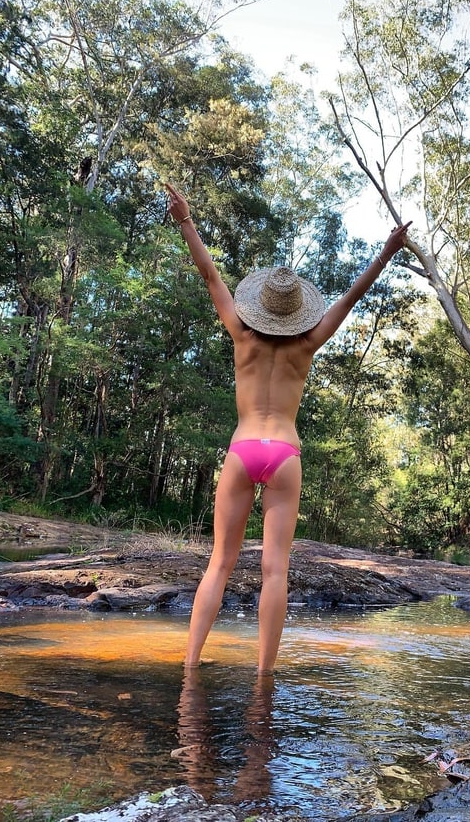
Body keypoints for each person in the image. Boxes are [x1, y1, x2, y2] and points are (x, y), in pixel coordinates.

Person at [165, 183, 411, 675]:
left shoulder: (241, 334)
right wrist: (387, 250)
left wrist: (185, 220)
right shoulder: (309, 343)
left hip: (242, 449)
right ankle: (263, 677)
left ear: (258, 307)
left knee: (220, 563)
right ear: (298, 311)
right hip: (284, 453)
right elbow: (352, 296)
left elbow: (211, 276)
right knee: (275, 569)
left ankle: (190, 667)